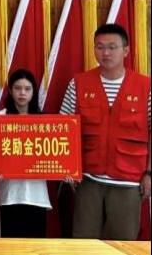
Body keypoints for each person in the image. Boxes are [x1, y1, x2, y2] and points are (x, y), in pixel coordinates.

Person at [60, 23, 151, 240]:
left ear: (126, 50)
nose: (106, 53)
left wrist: (149, 174)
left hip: (128, 183)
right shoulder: (78, 84)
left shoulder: (145, 87)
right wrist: (67, 168)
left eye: (112, 47)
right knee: (84, 245)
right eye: (100, 47)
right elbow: (63, 130)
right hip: (87, 182)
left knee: (122, 246)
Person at [0, 69, 54, 238]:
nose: (22, 93)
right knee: (10, 247)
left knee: (35, 247)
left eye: (27, 89)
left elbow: (56, 154)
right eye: (17, 88)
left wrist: (68, 171)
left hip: (37, 197)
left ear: (33, 92)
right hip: (10, 196)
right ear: (10, 90)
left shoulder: (44, 121)